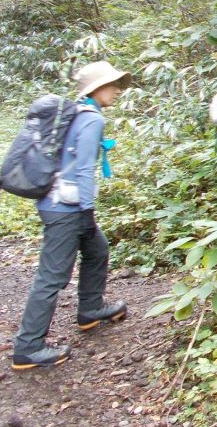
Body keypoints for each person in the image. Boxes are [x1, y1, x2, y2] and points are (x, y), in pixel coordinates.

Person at [12, 60, 132, 370]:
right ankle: (28, 346)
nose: (117, 90)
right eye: (112, 85)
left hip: (59, 203)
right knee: (52, 277)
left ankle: (90, 309)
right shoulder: (91, 119)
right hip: (67, 208)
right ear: (96, 88)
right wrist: (87, 213)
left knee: (98, 250)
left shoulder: (76, 113)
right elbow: (83, 170)